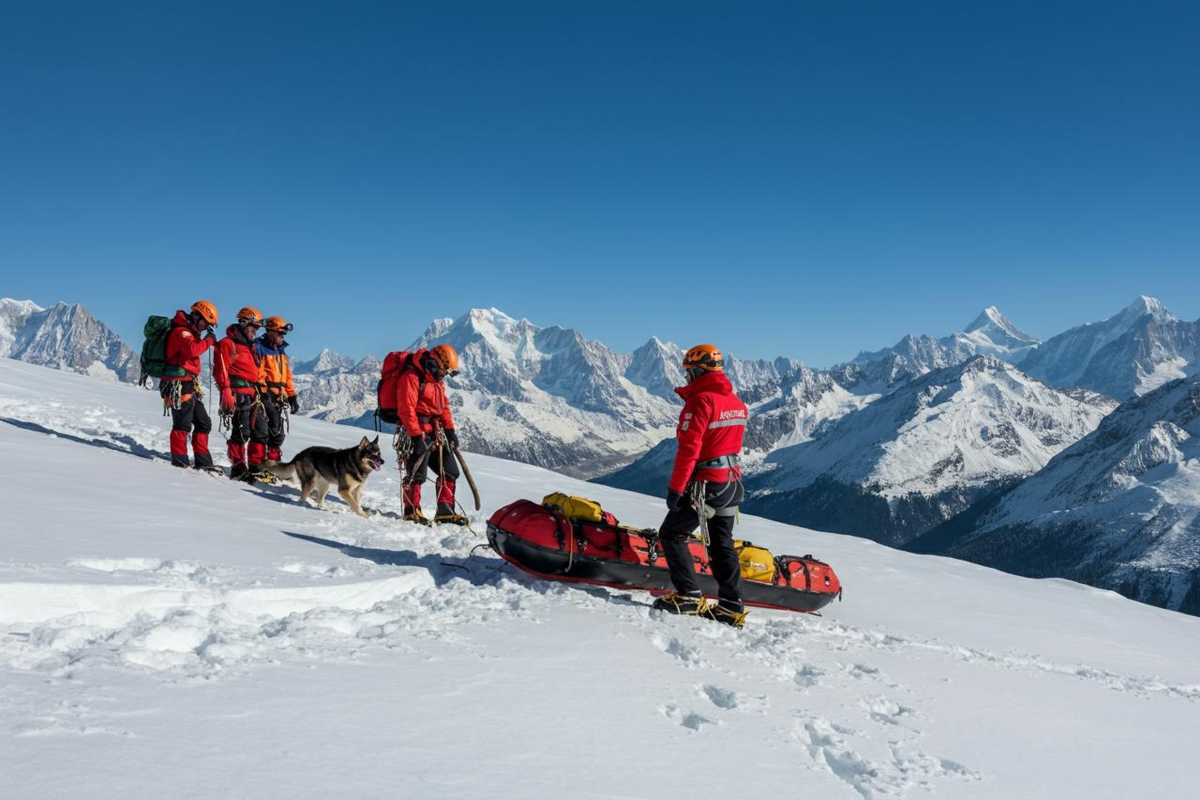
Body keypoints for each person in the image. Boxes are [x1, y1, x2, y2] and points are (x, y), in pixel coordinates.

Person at [652, 344, 750, 628]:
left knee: (672, 533)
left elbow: (689, 449)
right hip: (731, 480)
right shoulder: (735, 401)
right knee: (722, 544)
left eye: (688, 373)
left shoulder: (701, 402)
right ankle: (731, 606)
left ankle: (689, 596)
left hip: (706, 483)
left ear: (697, 371)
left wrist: (676, 488)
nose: (686, 379)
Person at [395, 343, 467, 526]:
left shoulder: (436, 382)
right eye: (445, 370)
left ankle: (445, 511)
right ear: (436, 362)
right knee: (416, 473)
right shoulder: (411, 377)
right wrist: (416, 436)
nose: (445, 374)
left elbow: (443, 407)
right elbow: (406, 409)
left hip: (435, 433)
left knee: (450, 471)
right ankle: (412, 511)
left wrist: (450, 430)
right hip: (416, 432)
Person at [161, 300, 220, 470]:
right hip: (178, 385)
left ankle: (203, 461)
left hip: (189, 384)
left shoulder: (191, 333)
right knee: (182, 424)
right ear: (197, 316)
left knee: (203, 423)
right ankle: (179, 461)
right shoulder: (181, 332)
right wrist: (208, 341)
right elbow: (192, 350)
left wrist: (206, 339)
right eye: (205, 324)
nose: (204, 328)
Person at [214, 306, 269, 482]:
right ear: (244, 324)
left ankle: (256, 467)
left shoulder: (250, 347)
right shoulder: (227, 344)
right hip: (237, 393)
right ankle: (238, 467)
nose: (255, 332)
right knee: (241, 432)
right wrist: (226, 392)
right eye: (253, 327)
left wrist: (263, 389)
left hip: (253, 394)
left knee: (261, 432)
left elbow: (256, 372)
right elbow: (221, 370)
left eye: (257, 328)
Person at [256, 316, 299, 463]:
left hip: (279, 397)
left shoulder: (281, 352)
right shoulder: (259, 348)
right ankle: (261, 463)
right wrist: (263, 392)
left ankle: (273, 463)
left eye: (283, 334)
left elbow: (286, 376)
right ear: (271, 332)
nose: (282, 336)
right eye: (280, 333)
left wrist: (292, 395)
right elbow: (258, 373)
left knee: (277, 432)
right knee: (264, 431)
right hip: (265, 396)